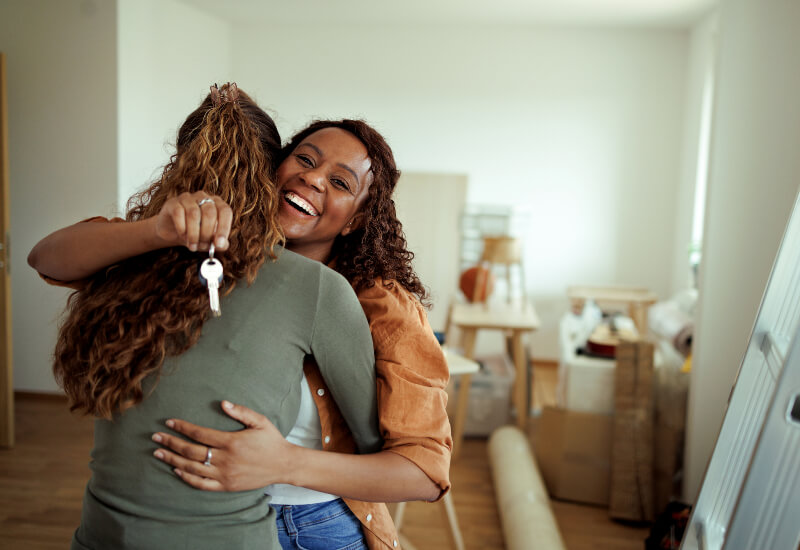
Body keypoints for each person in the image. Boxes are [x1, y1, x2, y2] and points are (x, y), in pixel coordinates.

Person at [32, 117, 452, 550]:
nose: (312, 177)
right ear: (273, 166)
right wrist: (154, 231)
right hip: (197, 524)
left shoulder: (381, 306)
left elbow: (423, 472)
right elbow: (47, 259)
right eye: (304, 159)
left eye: (341, 182)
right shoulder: (194, 259)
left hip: (308, 525)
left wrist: (284, 464)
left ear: (356, 219)